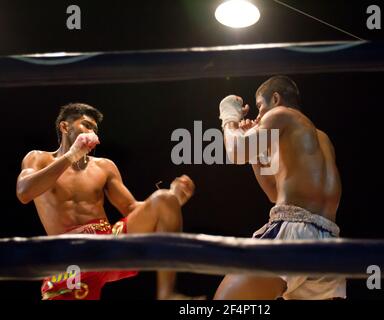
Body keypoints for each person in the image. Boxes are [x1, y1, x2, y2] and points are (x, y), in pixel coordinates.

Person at [16, 102, 195, 300]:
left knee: (165, 198)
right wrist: (71, 156)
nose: (91, 131)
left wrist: (172, 201)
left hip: (109, 242)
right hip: (70, 253)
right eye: (86, 125)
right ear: (65, 127)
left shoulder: (104, 167)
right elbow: (24, 192)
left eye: (94, 128)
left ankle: (166, 294)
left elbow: (130, 207)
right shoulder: (39, 159)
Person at [214, 76, 346, 300]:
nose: (257, 116)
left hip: (293, 234)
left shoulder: (280, 114)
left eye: (259, 107)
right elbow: (274, 194)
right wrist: (257, 153)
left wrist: (229, 118)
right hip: (329, 245)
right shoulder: (322, 138)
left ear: (275, 98)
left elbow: (235, 151)